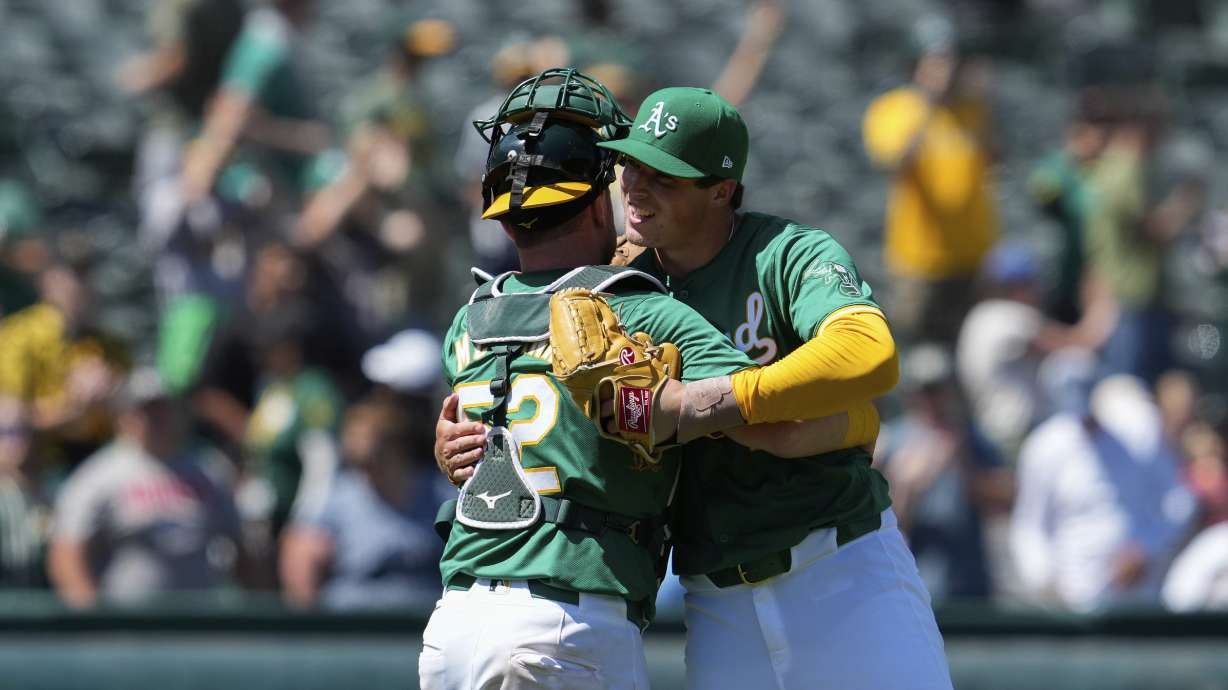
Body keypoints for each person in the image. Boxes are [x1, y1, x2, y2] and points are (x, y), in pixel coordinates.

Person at [439, 85, 951, 689]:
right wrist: (462, 438)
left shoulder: (784, 254)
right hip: (716, 601)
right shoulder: (620, 286)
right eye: (631, 164)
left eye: (667, 176)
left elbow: (871, 351)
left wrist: (705, 404)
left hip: (841, 566)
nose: (636, 186)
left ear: (722, 191)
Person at [1011, 351, 1197, 611]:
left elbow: (1179, 502)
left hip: (1136, 601)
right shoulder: (1044, 447)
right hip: (1073, 605)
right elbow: (1029, 527)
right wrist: (1049, 586)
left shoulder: (1135, 436)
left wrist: (1145, 550)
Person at [46, 369, 243, 607]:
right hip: (127, 626)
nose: (154, 419)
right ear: (125, 417)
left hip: (198, 625)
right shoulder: (98, 476)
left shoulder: (210, 469)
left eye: (161, 409)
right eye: (145, 411)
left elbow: (243, 548)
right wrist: (92, 618)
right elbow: (66, 554)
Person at [862, 16, 998, 346]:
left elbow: (995, 161)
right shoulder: (894, 109)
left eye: (953, 61)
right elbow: (895, 163)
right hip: (920, 263)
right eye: (938, 61)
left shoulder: (973, 111)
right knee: (917, 352)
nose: (947, 70)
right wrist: (928, 106)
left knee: (968, 349)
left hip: (973, 257)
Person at [279, 395, 446, 609]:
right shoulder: (337, 496)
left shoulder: (440, 493)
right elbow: (299, 550)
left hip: (425, 620)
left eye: (377, 454)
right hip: (355, 625)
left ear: (397, 447)